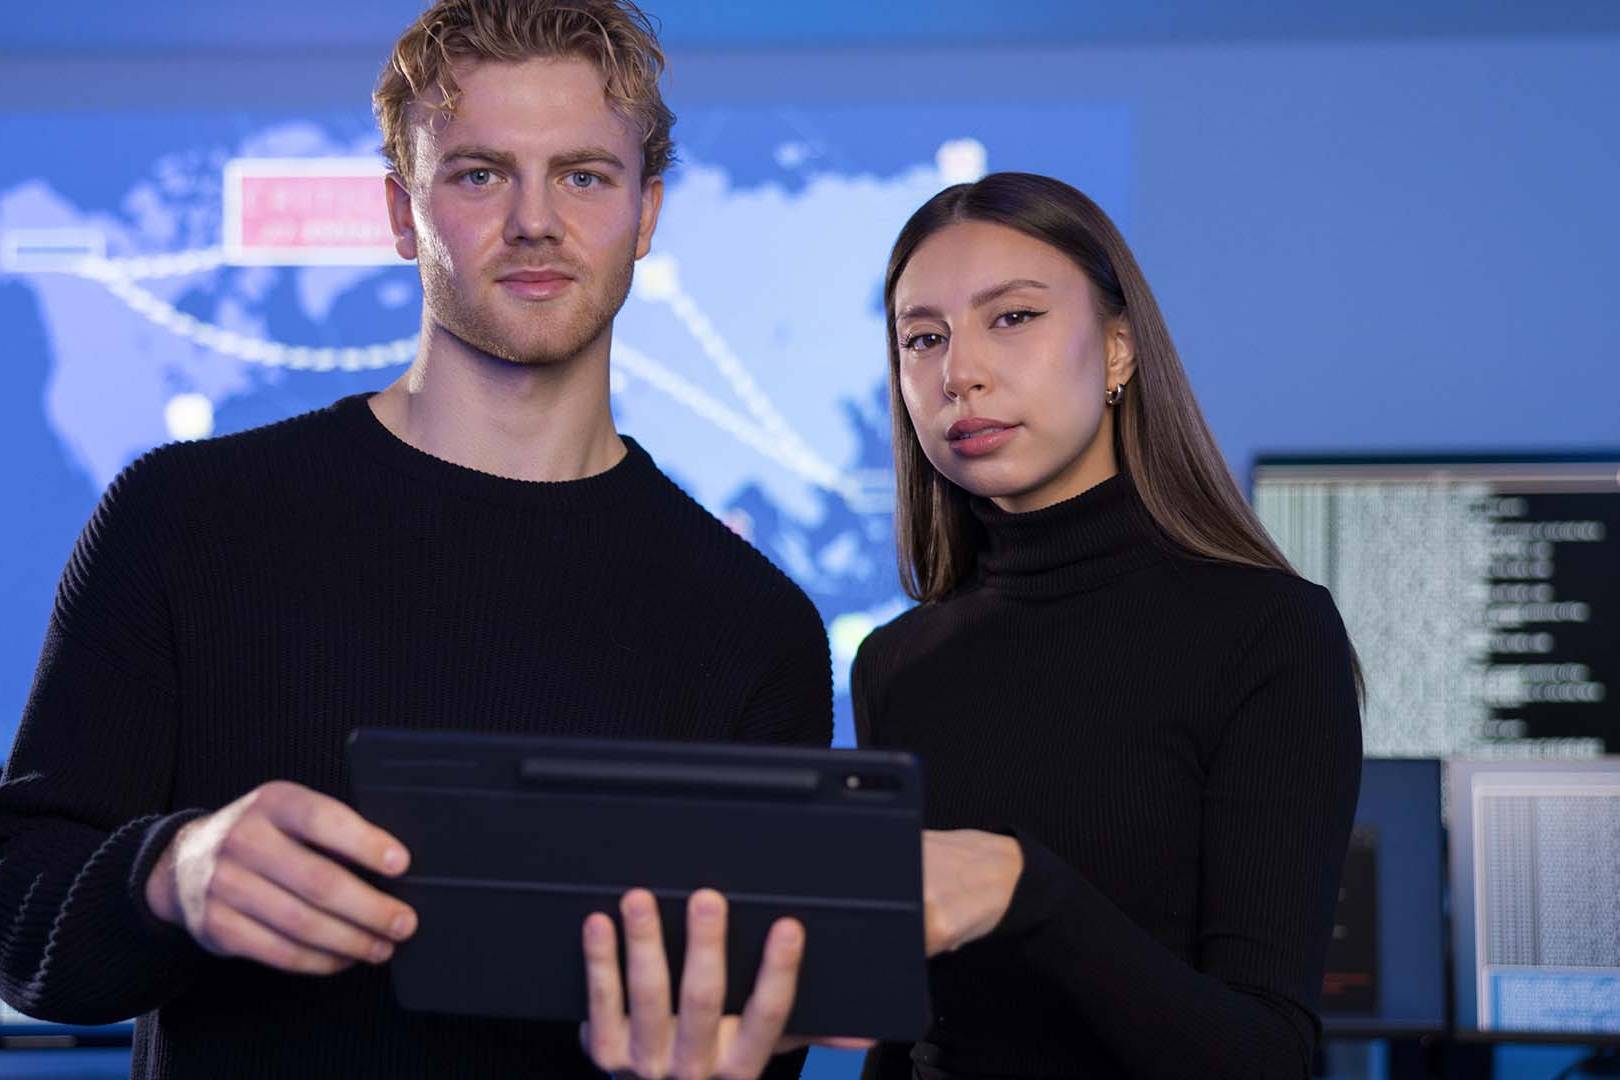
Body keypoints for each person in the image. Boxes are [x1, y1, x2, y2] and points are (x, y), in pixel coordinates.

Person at [0, 2, 834, 1077]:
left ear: (648, 212)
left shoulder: (752, 623)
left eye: (583, 175)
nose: (535, 221)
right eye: (480, 174)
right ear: (402, 213)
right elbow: (24, 927)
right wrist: (170, 873)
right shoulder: (185, 518)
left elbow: (753, 1046)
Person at [854, 172, 1362, 1079]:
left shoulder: (1269, 635)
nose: (958, 372)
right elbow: (909, 1037)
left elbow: (1266, 1058)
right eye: (922, 338)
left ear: (1120, 348)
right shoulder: (896, 663)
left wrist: (1028, 892)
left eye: (1011, 318)